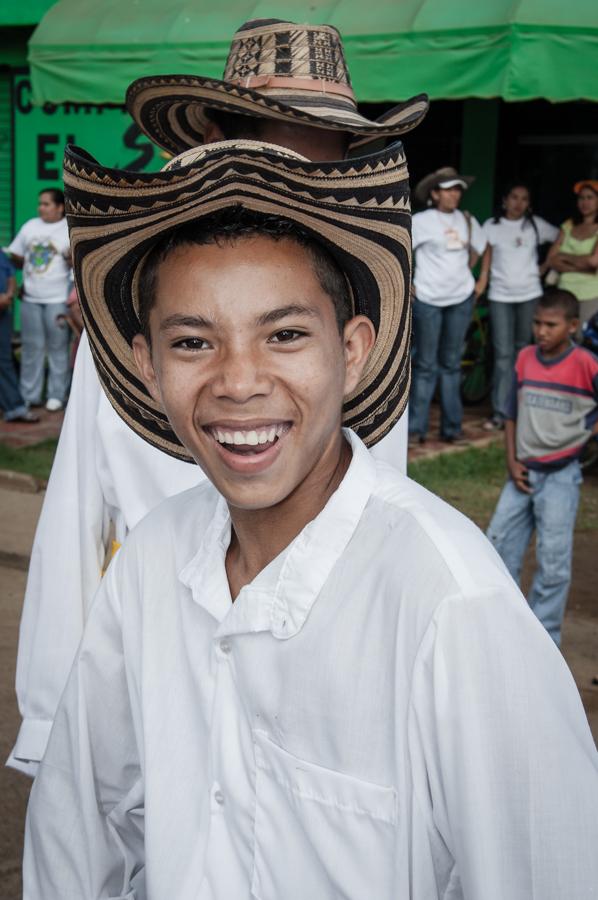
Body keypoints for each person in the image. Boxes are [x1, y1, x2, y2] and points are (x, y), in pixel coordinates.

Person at [24, 138, 598, 900]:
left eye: (286, 334)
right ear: (144, 364)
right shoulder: (151, 560)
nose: (238, 382)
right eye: (193, 342)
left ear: (352, 350)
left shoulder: (451, 606)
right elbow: (78, 833)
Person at [8, 19, 429, 776]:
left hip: (310, 693)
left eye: (321, 167)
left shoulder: (355, 343)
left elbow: (376, 505)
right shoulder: (132, 338)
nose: (295, 196)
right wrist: (51, 721)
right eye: (280, 156)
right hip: (154, 674)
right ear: (213, 140)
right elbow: (76, 519)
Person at [487, 289, 598, 646]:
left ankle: (543, 642)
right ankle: (503, 630)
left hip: (562, 476)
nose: (541, 331)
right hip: (521, 473)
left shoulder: (586, 364)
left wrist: (583, 437)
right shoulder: (524, 359)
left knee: (553, 563)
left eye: (551, 325)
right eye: (537, 323)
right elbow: (511, 413)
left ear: (572, 326)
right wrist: (510, 459)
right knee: (497, 547)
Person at [408, 167, 486, 445]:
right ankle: (416, 430)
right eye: (448, 189)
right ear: (434, 193)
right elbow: (402, 250)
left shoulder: (466, 219)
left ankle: (452, 429)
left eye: (457, 189)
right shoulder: (421, 221)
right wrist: (407, 283)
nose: (454, 194)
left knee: (452, 364)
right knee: (426, 365)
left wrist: (479, 281)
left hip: (461, 298)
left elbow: (482, 246)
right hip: (428, 299)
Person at [478, 183, 559, 430]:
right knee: (503, 355)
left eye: (524, 198)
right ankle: (500, 412)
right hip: (500, 295)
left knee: (524, 351)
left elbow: (562, 235)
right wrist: (482, 281)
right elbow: (486, 258)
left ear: (529, 203)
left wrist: (545, 266)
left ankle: (521, 410)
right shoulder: (492, 226)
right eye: (514, 197)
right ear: (505, 200)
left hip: (529, 295)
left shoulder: (536, 225)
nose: (519, 203)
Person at [7, 188, 71, 412]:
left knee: (57, 347)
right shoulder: (30, 226)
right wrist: (20, 261)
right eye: (40, 203)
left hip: (57, 299)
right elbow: (16, 255)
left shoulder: (68, 228)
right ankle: (29, 395)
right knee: (31, 348)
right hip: (31, 299)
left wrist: (69, 256)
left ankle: (56, 394)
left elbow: (76, 263)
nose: (40, 208)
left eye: (46, 204)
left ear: (60, 207)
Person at [545, 180, 598, 331]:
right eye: (581, 198)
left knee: (585, 339)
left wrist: (563, 255)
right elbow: (551, 259)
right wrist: (584, 265)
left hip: (591, 294)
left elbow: (594, 261)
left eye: (590, 198)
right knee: (562, 338)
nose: (585, 202)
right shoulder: (568, 225)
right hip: (564, 292)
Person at [0, 249, 39, 424]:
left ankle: (15, 408)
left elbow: (10, 275)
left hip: (3, 312)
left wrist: (8, 295)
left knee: (4, 360)